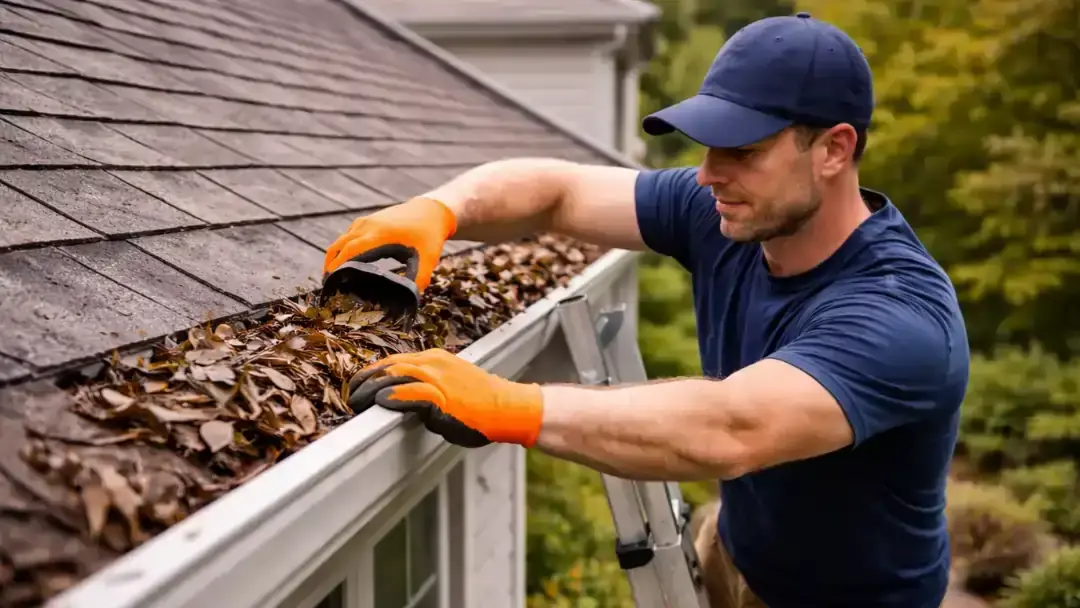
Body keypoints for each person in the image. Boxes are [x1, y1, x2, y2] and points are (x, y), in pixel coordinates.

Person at [325, 12, 970, 608]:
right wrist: (441, 209)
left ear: (833, 149)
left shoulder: (901, 314)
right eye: (708, 145)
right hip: (737, 547)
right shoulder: (727, 212)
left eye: (743, 151)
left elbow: (733, 428)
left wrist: (511, 406)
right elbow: (559, 191)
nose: (708, 174)